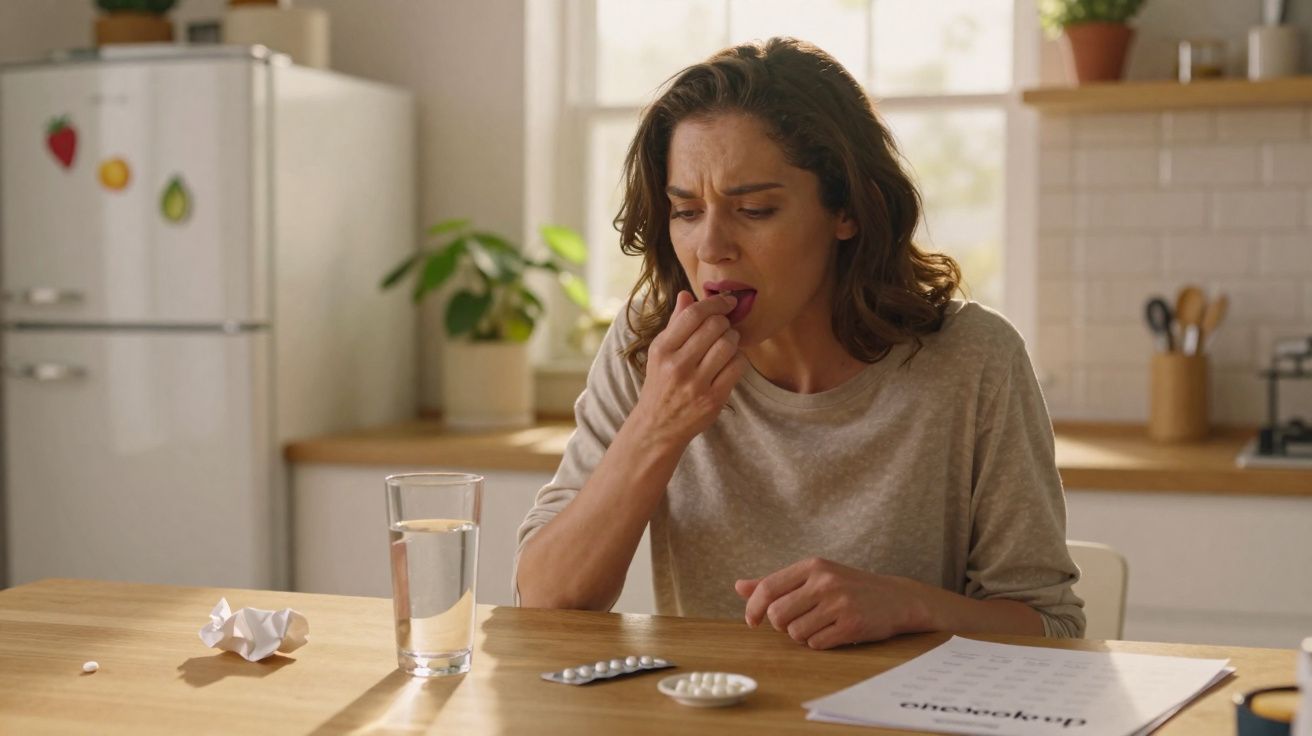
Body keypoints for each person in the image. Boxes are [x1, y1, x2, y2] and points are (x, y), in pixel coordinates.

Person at [514, 37, 1085, 648]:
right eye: (686, 212)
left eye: (755, 209)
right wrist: (657, 424)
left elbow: (1053, 628)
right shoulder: (650, 345)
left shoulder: (974, 359)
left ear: (847, 211)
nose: (711, 248)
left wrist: (909, 605)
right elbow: (544, 600)